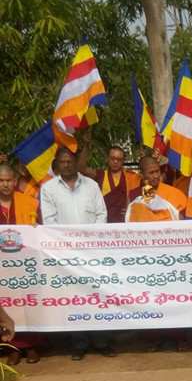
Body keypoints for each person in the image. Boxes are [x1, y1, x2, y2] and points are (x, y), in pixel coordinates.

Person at [40, 147, 113, 359]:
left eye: (70, 161)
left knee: (97, 296)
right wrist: (69, 244)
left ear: (75, 162)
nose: (67, 165)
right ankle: (79, 345)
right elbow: (49, 221)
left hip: (92, 253)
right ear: (57, 164)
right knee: (74, 298)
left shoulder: (91, 186)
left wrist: (89, 240)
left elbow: (102, 214)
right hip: (66, 254)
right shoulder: (48, 189)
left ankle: (102, 342)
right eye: (62, 162)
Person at [0, 164, 41, 363]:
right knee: (8, 304)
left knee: (28, 303)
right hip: (2, 267)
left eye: (8, 180)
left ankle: (32, 345)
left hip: (25, 263)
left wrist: (36, 228)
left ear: (15, 181)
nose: (5, 184)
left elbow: (40, 230)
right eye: (1, 181)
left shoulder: (29, 202)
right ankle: (12, 347)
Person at [79, 141, 140, 223]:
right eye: (112, 158)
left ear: (123, 161)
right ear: (107, 159)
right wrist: (86, 146)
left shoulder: (131, 176)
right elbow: (81, 168)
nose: (115, 162)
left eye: (119, 159)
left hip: (124, 220)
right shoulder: (101, 175)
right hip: (104, 220)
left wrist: (131, 209)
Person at [126, 156, 187, 222]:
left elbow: (183, 223)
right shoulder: (135, 195)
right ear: (141, 175)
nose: (156, 176)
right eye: (151, 173)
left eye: (157, 171)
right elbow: (130, 219)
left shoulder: (175, 193)